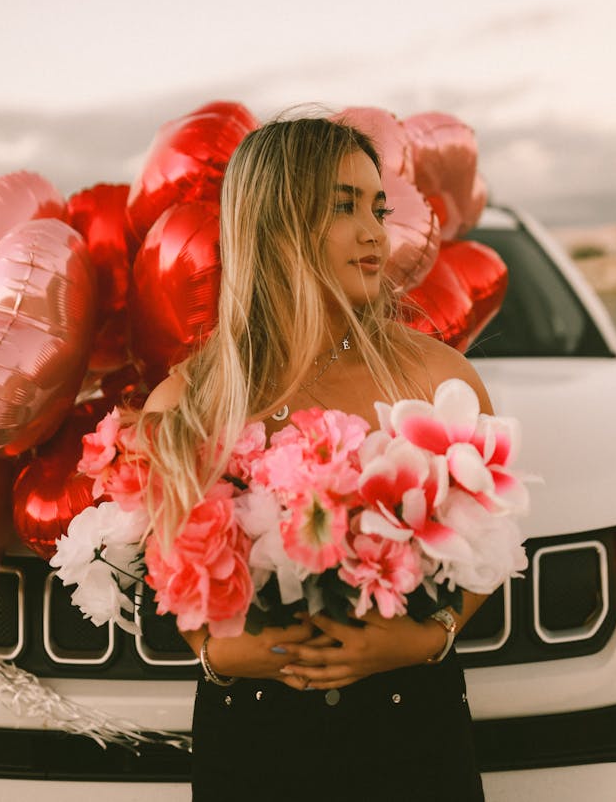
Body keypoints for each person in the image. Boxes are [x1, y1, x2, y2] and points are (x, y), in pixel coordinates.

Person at [141, 116, 492, 802]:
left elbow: (491, 544)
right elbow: (177, 580)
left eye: (377, 207)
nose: (374, 232)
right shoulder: (188, 398)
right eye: (343, 206)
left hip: (412, 736)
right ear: (273, 223)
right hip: (255, 745)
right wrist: (219, 652)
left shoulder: (436, 379)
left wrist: (424, 639)